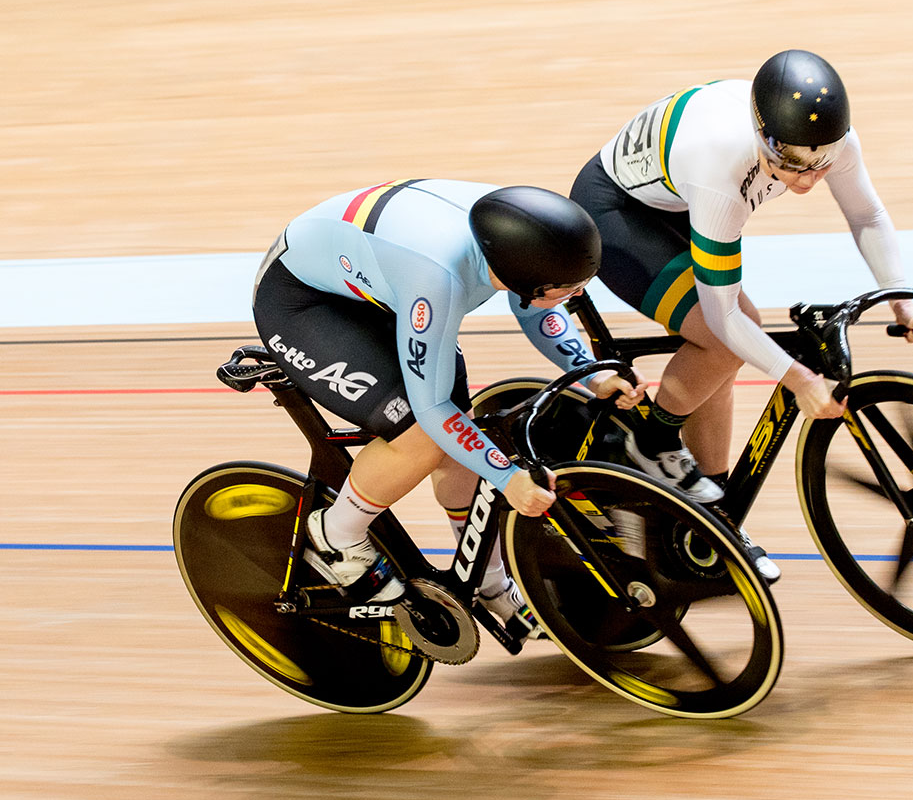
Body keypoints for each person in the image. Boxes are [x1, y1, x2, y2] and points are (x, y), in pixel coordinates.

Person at [569, 49, 913, 583]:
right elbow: (723, 321)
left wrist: (901, 296)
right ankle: (648, 441)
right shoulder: (721, 159)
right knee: (728, 336)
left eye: (819, 164)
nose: (807, 180)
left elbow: (867, 214)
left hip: (676, 201)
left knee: (724, 355)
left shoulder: (829, 141)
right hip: (617, 214)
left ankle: (710, 520)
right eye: (788, 164)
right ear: (761, 134)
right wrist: (799, 380)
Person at [252, 180, 642, 629]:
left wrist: (593, 372)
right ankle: (337, 532)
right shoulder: (441, 277)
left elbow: (536, 306)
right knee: (422, 438)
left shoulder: (518, 234)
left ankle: (489, 582)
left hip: (382, 283)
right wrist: (508, 477)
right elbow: (433, 409)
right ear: (520, 274)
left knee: (464, 441)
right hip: (303, 300)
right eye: (566, 289)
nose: (575, 297)